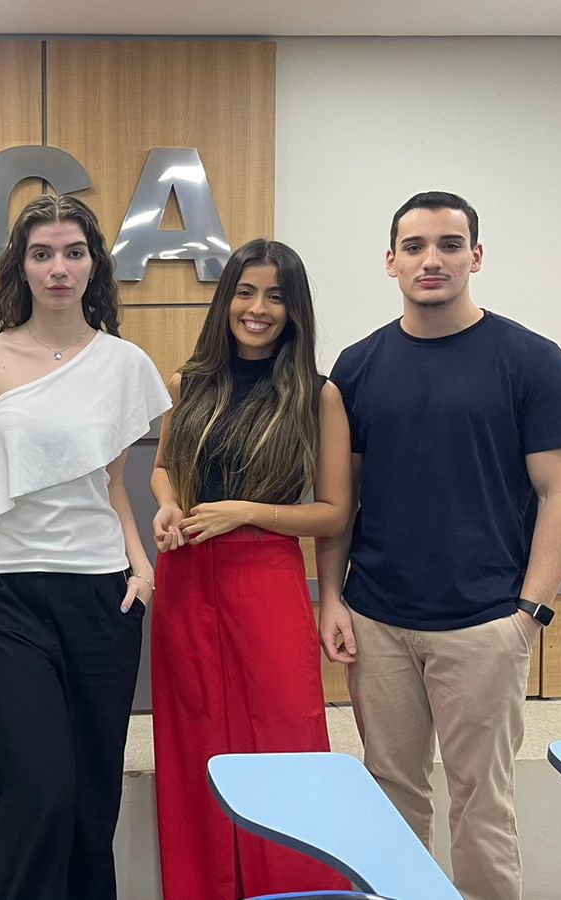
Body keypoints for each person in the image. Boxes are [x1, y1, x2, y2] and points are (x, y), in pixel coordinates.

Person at [317, 191, 561, 900]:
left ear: (476, 255)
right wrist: (331, 599)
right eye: (414, 246)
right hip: (377, 620)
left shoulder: (531, 361)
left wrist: (529, 613)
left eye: (448, 244)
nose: (430, 260)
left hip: (485, 622)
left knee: (482, 804)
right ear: (391, 261)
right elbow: (340, 502)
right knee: (391, 794)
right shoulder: (357, 366)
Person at [0, 194, 171, 900]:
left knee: (91, 797)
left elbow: (112, 485)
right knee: (37, 788)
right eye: (41, 254)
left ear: (93, 264)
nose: (58, 269)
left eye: (73, 253)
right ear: (20, 266)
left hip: (101, 592)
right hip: (2, 589)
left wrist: (141, 567)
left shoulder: (126, 364)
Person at [148, 238, 353, 899]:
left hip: (264, 577)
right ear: (225, 299)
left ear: (295, 309)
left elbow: (332, 513)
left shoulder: (318, 396)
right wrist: (167, 505)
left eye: (275, 296)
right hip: (185, 577)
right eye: (245, 292)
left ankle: (294, 889)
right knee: (194, 742)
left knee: (285, 733)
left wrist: (246, 512)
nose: (257, 308)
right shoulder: (187, 383)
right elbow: (162, 467)